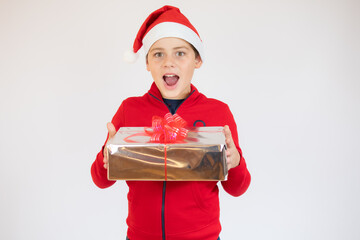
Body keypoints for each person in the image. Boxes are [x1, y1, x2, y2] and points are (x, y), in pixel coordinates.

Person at [91, 5, 251, 240]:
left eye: (180, 53)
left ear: (197, 59)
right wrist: (107, 156)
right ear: (147, 63)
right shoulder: (129, 110)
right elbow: (100, 181)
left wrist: (235, 161)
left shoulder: (218, 112)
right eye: (158, 54)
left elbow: (238, 188)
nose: (168, 62)